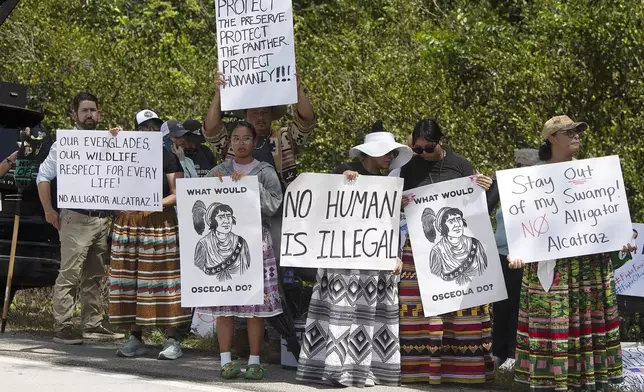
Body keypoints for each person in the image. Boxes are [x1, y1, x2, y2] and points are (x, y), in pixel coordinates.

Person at [507, 115, 638, 392]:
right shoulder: (531, 180)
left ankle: (587, 382)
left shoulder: (594, 174)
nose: (577, 135)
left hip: (588, 264)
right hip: (552, 267)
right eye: (570, 132)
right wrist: (517, 252)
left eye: (578, 131)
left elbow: (606, 218)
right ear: (553, 138)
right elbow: (524, 226)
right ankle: (553, 381)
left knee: (586, 322)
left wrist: (623, 238)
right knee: (554, 323)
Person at [296, 122, 412, 387]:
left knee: (367, 314)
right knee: (340, 312)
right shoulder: (342, 172)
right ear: (369, 153)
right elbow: (322, 205)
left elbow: (389, 223)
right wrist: (341, 181)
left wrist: (394, 254)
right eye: (386, 152)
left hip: (372, 259)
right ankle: (335, 368)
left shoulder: (388, 184)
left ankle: (363, 370)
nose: (390, 158)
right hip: (342, 258)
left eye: (393, 154)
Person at [398, 119, 494, 385]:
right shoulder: (409, 169)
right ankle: (420, 370)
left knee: (459, 311)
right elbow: (395, 211)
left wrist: (486, 188)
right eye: (417, 149)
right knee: (419, 311)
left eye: (427, 148)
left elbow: (477, 208)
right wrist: (400, 201)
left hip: (460, 250)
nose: (422, 154)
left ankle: (464, 371)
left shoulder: (460, 165)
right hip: (419, 251)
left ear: (441, 141)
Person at [36, 92, 124, 345]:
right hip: (75, 218)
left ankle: (92, 324)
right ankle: (63, 325)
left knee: (95, 275)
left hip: (101, 219)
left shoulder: (109, 140)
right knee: (70, 274)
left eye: (93, 110)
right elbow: (43, 177)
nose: (89, 115)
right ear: (74, 114)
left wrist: (121, 139)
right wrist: (49, 211)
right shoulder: (64, 144)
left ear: (99, 114)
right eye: (84, 110)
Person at [200, 121, 283, 380]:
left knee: (254, 305)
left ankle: (255, 361)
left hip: (256, 244)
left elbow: (274, 207)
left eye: (246, 138)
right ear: (229, 142)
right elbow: (200, 205)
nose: (241, 143)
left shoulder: (265, 171)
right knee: (225, 303)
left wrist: (252, 184)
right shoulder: (218, 170)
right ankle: (225, 360)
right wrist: (210, 184)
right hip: (223, 247)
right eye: (236, 138)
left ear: (255, 142)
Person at [203, 73, 316, 259]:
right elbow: (211, 131)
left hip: (278, 214)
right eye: (254, 112)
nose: (260, 117)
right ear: (246, 116)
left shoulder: (284, 138)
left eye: (264, 112)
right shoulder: (232, 143)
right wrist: (218, 94)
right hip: (236, 218)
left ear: (272, 115)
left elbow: (306, 123)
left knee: (277, 264)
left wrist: (297, 90)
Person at [108, 111, 191, 360]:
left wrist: (150, 204)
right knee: (132, 278)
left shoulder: (167, 157)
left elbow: (176, 193)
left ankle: (172, 338)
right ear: (136, 131)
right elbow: (102, 177)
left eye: (154, 127)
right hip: (128, 223)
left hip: (158, 222)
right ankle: (135, 337)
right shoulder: (124, 154)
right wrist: (113, 140)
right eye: (144, 128)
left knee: (165, 279)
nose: (149, 132)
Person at [492, 148, 540, 369]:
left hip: (526, 256)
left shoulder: (540, 193)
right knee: (501, 305)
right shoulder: (504, 186)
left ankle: (512, 353)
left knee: (518, 306)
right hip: (502, 253)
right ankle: (498, 352)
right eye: (520, 167)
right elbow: (486, 205)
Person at [423, 206, 488, 286]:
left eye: (458, 219)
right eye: (451, 221)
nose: (457, 224)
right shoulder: (437, 252)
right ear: (441, 226)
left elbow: (486, 272)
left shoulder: (475, 244)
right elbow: (434, 282)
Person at [192, 201, 251, 280]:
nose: (226, 221)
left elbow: (248, 272)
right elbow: (196, 275)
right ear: (211, 221)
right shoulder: (203, 245)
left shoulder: (241, 242)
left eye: (229, 216)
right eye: (221, 217)